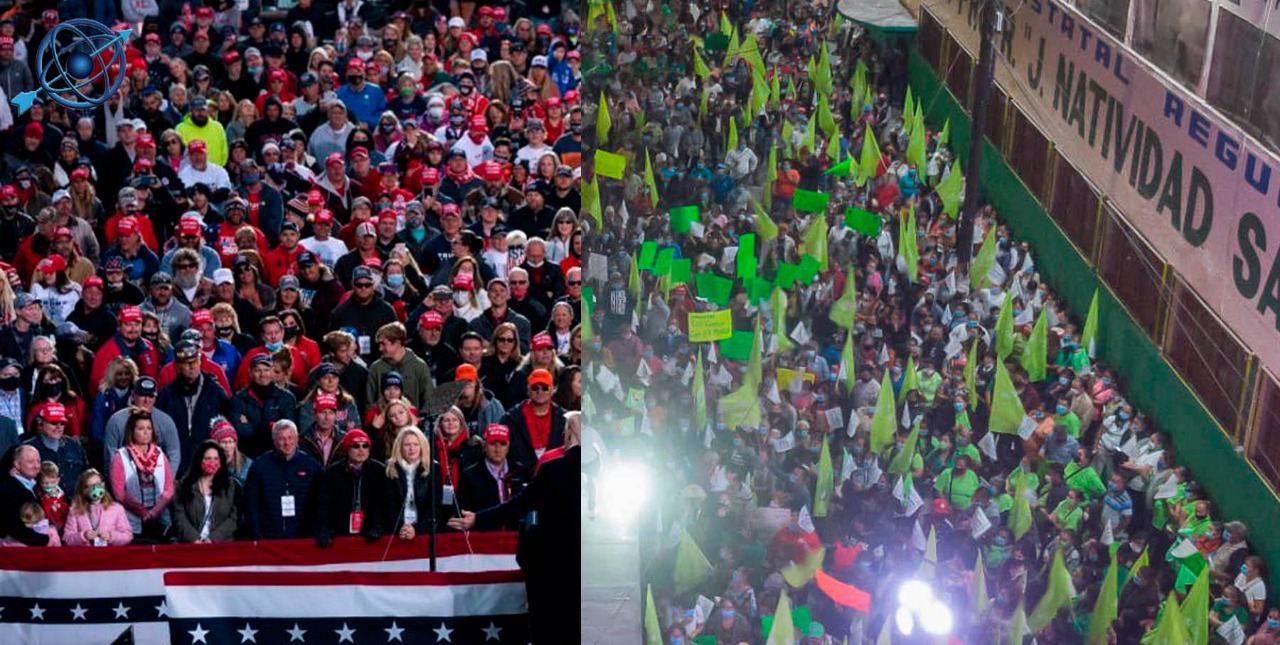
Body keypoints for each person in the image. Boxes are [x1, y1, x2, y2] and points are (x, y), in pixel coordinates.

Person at [448, 426, 579, 644]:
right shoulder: (602, 467)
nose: (562, 436)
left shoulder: (553, 470)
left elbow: (520, 505)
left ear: (571, 434)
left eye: (566, 431)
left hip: (553, 571)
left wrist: (478, 519)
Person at [242, 420, 321, 540]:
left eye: (290, 437)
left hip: (303, 539)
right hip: (268, 540)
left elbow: (319, 506)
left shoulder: (312, 466)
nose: (287, 443)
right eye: (282, 439)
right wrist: (257, 537)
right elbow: (251, 505)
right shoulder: (259, 467)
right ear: (274, 441)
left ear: (297, 439)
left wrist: (312, 535)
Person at [108, 409, 175, 541]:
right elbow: (119, 493)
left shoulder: (160, 454)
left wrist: (154, 512)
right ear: (132, 431)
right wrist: (143, 512)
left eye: (149, 428)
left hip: (159, 521)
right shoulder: (120, 456)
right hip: (131, 523)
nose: (146, 432)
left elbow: (168, 489)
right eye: (141, 428)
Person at [315, 429, 386, 547]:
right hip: (339, 534)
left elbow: (383, 504)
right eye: (356, 446)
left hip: (369, 535)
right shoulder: (331, 473)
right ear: (347, 449)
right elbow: (324, 505)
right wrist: (325, 530)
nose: (361, 450)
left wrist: (378, 527)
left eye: (365, 446)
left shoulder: (379, 471)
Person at [384, 426, 446, 540]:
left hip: (425, 530)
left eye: (416, 444)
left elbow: (435, 506)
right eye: (407, 445)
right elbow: (389, 505)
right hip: (397, 530)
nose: (412, 448)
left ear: (422, 446)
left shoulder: (433, 468)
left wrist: (417, 529)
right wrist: (401, 527)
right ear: (400, 447)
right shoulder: (390, 468)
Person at [172, 439, 240, 543]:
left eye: (216, 459)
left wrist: (213, 539)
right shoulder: (185, 485)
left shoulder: (230, 486)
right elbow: (180, 515)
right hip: (191, 545)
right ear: (200, 460)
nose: (212, 462)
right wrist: (194, 538)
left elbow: (233, 518)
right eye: (208, 458)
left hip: (221, 545)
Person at [500, 368, 565, 468]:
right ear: (528, 390)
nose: (540, 391)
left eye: (545, 388)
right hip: (521, 476)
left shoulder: (564, 418)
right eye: (535, 387)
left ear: (552, 390)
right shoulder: (510, 419)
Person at [62, 469, 133, 547]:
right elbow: (67, 539)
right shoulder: (75, 510)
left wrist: (111, 536)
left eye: (98, 484)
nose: (95, 488)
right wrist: (83, 536)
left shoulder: (117, 509)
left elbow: (128, 536)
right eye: (90, 486)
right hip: (85, 557)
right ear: (83, 490)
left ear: (103, 485)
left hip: (109, 556)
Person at [0, 445, 51, 546]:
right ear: (17, 464)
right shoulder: (7, 490)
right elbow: (14, 527)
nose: (36, 466)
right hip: (17, 552)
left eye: (38, 461)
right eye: (30, 461)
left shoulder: (34, 486)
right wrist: (45, 540)